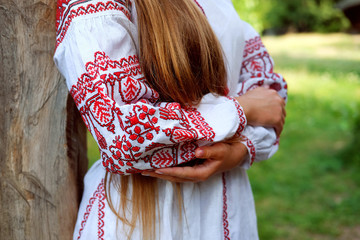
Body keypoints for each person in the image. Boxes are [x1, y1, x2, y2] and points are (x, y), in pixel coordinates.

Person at [54, 0, 287, 239]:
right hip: (140, 217)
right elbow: (122, 136)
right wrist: (242, 109)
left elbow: (269, 99)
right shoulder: (97, 6)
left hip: (225, 208)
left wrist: (240, 149)